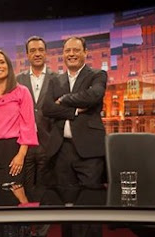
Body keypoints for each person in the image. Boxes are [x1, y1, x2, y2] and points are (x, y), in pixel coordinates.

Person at [42, 36, 107, 192]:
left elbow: (93, 96)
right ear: (63, 54)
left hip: (89, 150)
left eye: (76, 50)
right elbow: (47, 108)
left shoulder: (97, 75)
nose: (71, 54)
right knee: (63, 198)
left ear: (85, 53)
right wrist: (75, 110)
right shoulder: (55, 80)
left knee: (90, 199)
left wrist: (64, 99)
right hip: (60, 150)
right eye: (67, 51)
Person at [0, 49, 38, 205]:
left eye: (1, 62)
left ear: (8, 65)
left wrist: (21, 155)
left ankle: (23, 229)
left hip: (12, 150)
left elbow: (28, 125)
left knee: (15, 194)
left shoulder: (22, 92)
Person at [16, 36, 59, 188]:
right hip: (24, 146)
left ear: (46, 53)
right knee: (25, 188)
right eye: (33, 51)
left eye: (41, 50)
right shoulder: (17, 80)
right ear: (27, 55)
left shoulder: (58, 79)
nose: (37, 54)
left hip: (49, 144)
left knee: (46, 190)